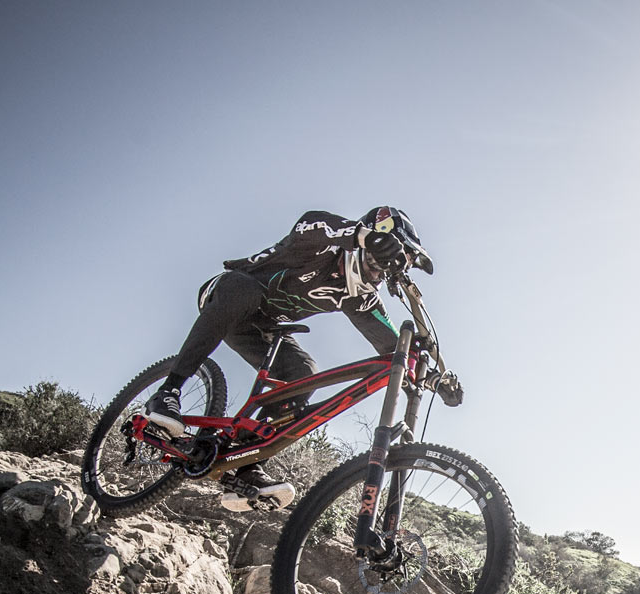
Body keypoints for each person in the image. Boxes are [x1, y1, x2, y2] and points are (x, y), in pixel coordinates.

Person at [144, 206, 433, 510]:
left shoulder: (358, 298)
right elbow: (310, 222)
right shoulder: (322, 247)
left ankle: (247, 464)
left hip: (261, 328)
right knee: (242, 290)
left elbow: (396, 348)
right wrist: (364, 236)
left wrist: (435, 376)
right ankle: (167, 393)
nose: (378, 273)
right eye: (378, 260)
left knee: (304, 374)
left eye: (384, 269)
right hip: (232, 292)